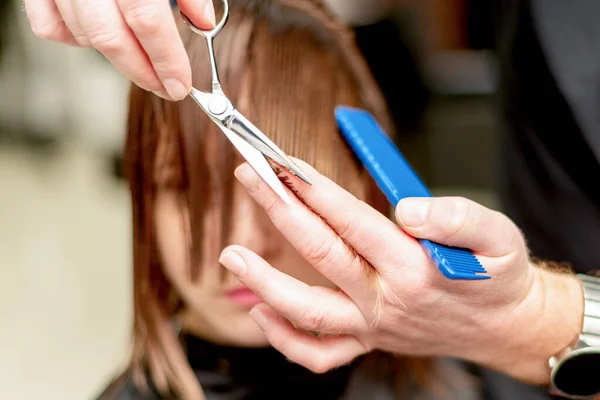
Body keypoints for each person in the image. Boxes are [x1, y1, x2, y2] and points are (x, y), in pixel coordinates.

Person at [24, 0, 600, 398]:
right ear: (143, 197)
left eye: (286, 185)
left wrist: (529, 320)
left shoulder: (489, 377)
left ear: (369, 188)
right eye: (187, 189)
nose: (245, 243)